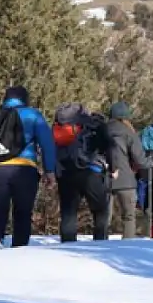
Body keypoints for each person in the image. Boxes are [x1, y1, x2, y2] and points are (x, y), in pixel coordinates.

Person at [0, 85, 56, 250]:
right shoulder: (33, 115)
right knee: (23, 212)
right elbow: (47, 144)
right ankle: (19, 248)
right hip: (24, 169)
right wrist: (50, 170)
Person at [52, 102, 112, 242]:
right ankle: (100, 241)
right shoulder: (92, 124)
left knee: (68, 212)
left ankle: (67, 244)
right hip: (91, 171)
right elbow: (108, 146)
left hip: (65, 172)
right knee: (100, 209)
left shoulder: (58, 125)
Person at [104, 101, 152, 239]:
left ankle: (100, 244)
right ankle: (128, 244)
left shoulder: (102, 130)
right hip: (126, 180)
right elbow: (140, 159)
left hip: (104, 178)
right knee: (129, 216)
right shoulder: (129, 133)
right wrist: (150, 162)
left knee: (103, 217)